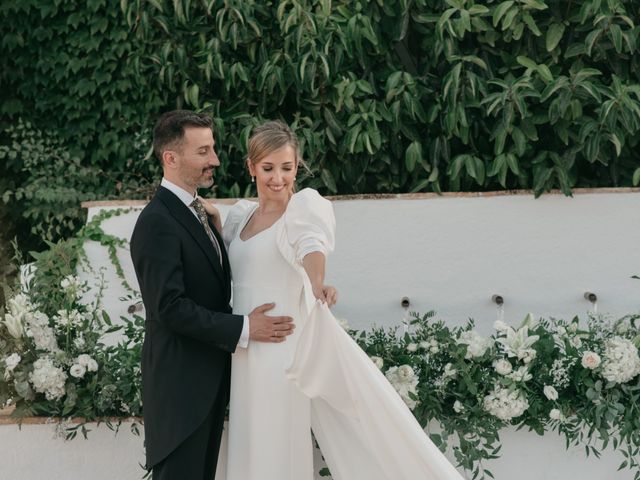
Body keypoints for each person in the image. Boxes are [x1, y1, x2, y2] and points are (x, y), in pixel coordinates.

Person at [205, 120, 465, 480]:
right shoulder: (239, 216)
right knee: (248, 442)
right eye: (268, 168)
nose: (278, 178)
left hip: (282, 350)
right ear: (251, 167)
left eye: (287, 167)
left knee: (274, 444)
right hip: (246, 346)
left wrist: (317, 283)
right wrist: (216, 222)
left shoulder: (301, 209)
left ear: (297, 167)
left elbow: (311, 245)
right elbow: (237, 262)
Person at [129, 110, 295, 480]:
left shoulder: (197, 213)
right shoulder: (157, 221)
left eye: (213, 148)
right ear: (171, 158)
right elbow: (169, 308)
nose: (215, 160)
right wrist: (244, 328)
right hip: (180, 393)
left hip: (207, 388)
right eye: (203, 151)